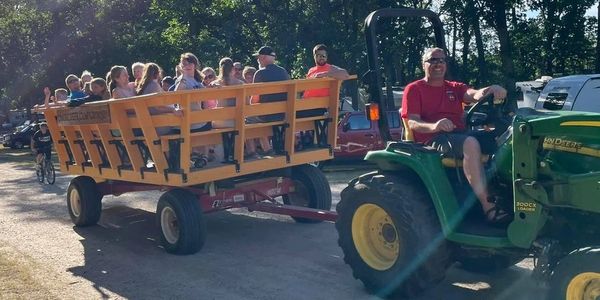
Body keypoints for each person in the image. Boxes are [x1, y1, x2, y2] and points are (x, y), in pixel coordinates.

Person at [400, 47, 509, 225]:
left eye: (442, 60)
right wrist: (435, 125)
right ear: (423, 64)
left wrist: (491, 89)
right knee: (470, 143)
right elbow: (412, 122)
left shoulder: (454, 87)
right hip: (432, 139)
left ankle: (510, 196)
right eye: (433, 60)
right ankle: (488, 206)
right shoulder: (414, 89)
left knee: (504, 138)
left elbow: (473, 94)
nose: (438, 64)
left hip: (458, 134)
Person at [301, 44, 350, 118]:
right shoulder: (311, 70)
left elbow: (345, 74)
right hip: (306, 105)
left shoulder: (330, 68)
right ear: (314, 57)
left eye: (323, 56)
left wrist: (325, 74)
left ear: (326, 57)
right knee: (290, 113)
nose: (321, 58)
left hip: (321, 107)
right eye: (319, 55)